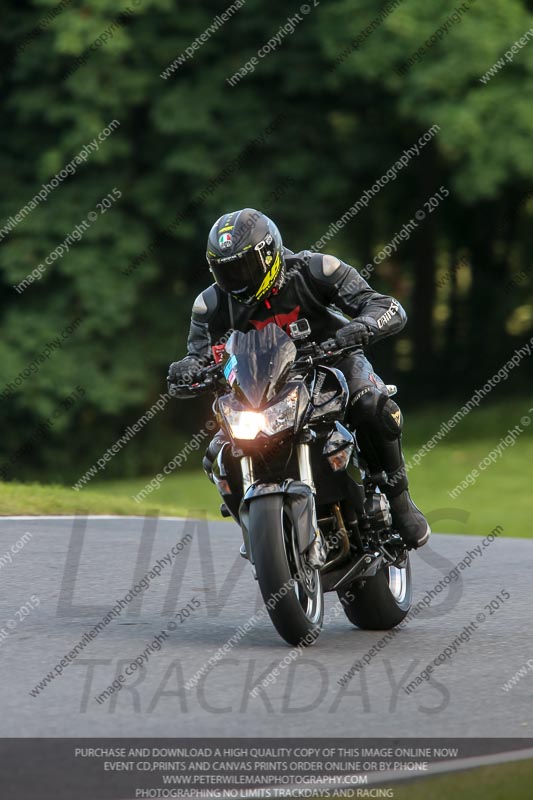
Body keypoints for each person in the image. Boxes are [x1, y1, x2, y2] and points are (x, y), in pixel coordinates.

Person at [168, 208, 430, 549]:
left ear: (269, 254)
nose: (236, 278)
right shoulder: (210, 303)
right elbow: (200, 354)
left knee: (369, 404)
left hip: (332, 363)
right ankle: (259, 535)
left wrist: (361, 327)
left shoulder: (316, 269)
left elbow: (384, 305)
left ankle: (399, 501)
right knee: (218, 453)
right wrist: (188, 369)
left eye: (243, 267)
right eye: (225, 270)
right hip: (261, 388)